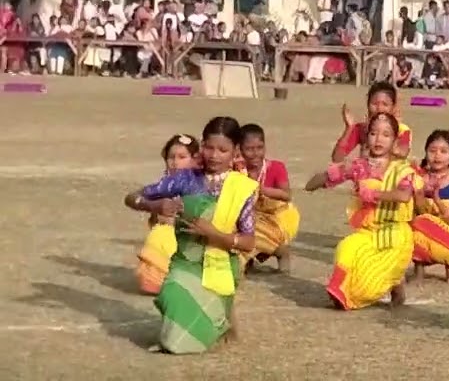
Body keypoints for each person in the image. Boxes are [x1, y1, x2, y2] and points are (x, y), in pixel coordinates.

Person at [123, 117, 258, 354]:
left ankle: (220, 319)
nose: (214, 155)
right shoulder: (185, 179)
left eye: (223, 150)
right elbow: (131, 197)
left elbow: (249, 242)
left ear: (235, 152)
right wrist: (155, 206)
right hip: (185, 264)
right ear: (202, 145)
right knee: (172, 295)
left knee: (182, 340)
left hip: (220, 268)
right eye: (209, 147)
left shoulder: (242, 188)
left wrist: (216, 235)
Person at [306, 111, 417, 310]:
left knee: (372, 281)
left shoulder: (402, 169)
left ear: (394, 141)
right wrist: (319, 181)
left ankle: (387, 284)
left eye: (385, 135)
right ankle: (339, 290)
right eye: (373, 133)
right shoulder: (359, 167)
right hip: (368, 231)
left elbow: (404, 196)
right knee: (347, 248)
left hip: (395, 233)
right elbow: (324, 178)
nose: (378, 139)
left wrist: (373, 194)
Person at [134, 134, 200, 295]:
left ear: (195, 160)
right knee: (160, 231)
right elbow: (134, 197)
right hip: (168, 237)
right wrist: (153, 206)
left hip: (194, 239)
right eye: (171, 157)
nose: (176, 162)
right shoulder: (165, 185)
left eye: (182, 157)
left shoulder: (201, 184)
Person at [410, 130, 449, 283]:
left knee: (419, 224)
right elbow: (418, 212)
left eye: (443, 151)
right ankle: (418, 270)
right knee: (411, 225)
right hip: (423, 225)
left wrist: (437, 200)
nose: (437, 156)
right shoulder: (418, 178)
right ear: (425, 152)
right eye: (432, 151)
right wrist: (418, 195)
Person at [240, 124, 299, 273]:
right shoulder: (239, 170)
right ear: (239, 149)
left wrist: (262, 190)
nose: (255, 154)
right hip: (253, 215)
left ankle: (280, 251)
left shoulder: (276, 167)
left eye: (259, 148)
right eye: (249, 149)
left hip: (280, 217)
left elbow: (286, 195)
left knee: (251, 228)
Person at [330, 81, 413, 162]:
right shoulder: (361, 129)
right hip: (366, 173)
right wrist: (349, 128)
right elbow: (337, 158)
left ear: (393, 107)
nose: (379, 109)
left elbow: (403, 153)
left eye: (385, 104)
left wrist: (391, 132)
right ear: (367, 104)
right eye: (374, 104)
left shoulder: (402, 130)